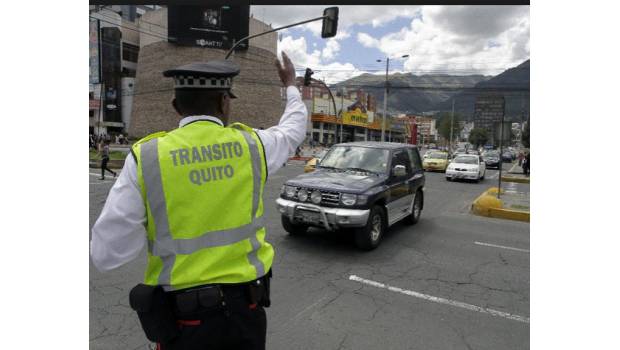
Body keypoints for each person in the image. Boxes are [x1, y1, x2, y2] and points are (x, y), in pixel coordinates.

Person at [90, 52, 307, 350]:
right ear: (224, 102)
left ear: (176, 106)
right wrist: (291, 86)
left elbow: (107, 253)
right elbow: (294, 128)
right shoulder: (253, 146)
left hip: (185, 325)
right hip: (247, 315)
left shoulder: (148, 158)